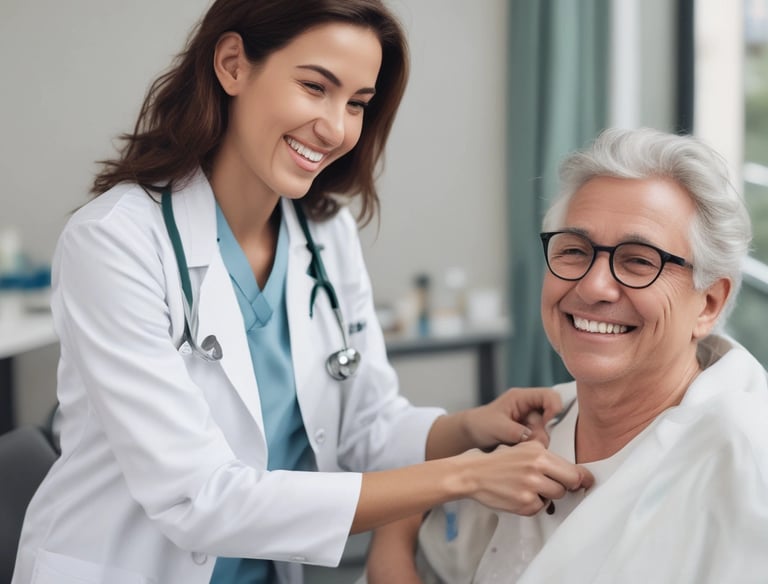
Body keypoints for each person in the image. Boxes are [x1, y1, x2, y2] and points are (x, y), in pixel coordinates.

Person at [11, 2, 594, 584]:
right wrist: (464, 476)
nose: (336, 128)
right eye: (316, 86)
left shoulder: (324, 233)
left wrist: (467, 429)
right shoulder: (115, 242)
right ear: (234, 65)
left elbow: (367, 426)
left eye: (358, 104)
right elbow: (198, 497)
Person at [363, 127, 768, 584]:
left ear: (709, 303)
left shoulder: (747, 457)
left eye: (639, 260)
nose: (593, 287)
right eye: (574, 250)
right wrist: (396, 527)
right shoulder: (536, 425)